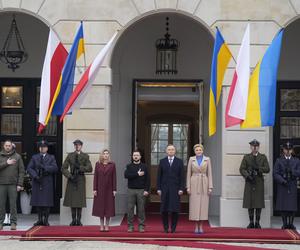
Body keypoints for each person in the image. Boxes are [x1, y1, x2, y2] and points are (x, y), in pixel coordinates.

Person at [240, 139, 270, 229]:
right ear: (250, 147)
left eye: (256, 146)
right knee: (250, 202)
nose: (254, 148)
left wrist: (259, 169)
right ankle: (251, 222)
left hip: (259, 181)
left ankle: (257, 222)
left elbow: (267, 169)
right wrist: (247, 176)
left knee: (258, 203)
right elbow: (242, 169)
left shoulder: (263, 157)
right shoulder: (246, 157)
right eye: (253, 146)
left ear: (258, 147)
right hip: (250, 181)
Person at [27, 140, 58, 226]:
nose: (42, 148)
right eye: (41, 147)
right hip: (37, 181)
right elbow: (29, 168)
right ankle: (39, 219)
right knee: (38, 201)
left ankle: (46, 220)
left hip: (47, 181)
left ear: (47, 148)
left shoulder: (51, 157)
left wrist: (45, 168)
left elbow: (55, 168)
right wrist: (35, 176)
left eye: (44, 147)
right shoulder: (34, 157)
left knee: (47, 202)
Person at [62, 139, 92, 226]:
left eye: (78, 145)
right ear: (74, 146)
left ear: (81, 146)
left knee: (79, 200)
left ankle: (78, 220)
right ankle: (73, 220)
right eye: (75, 145)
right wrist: (70, 176)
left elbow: (90, 168)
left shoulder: (85, 156)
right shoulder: (70, 156)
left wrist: (80, 168)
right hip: (72, 178)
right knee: (72, 200)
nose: (77, 146)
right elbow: (63, 168)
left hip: (80, 178)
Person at [157, 144, 185, 233]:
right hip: (164, 189)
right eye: (169, 150)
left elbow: (182, 177)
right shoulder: (162, 161)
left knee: (175, 209)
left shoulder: (180, 162)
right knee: (164, 209)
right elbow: (159, 176)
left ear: (175, 151)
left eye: (172, 149)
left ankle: (173, 228)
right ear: (166, 151)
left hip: (176, 189)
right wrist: (158, 188)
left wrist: (181, 188)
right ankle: (165, 228)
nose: (171, 151)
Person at [186, 144, 213, 234]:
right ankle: (196, 226)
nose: (198, 151)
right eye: (197, 150)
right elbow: (188, 173)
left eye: (200, 150)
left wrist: (210, 187)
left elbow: (210, 173)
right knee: (195, 205)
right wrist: (188, 186)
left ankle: (201, 226)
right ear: (195, 151)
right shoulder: (191, 159)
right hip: (194, 183)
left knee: (203, 206)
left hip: (204, 183)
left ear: (202, 151)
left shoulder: (207, 159)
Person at [273, 142, 300, 229]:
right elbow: (275, 173)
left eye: (289, 149)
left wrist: (293, 171)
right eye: (286, 149)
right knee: (283, 205)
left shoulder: (296, 160)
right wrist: (282, 181)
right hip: (283, 184)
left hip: (292, 184)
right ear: (283, 150)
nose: (288, 151)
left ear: (292, 150)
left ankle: (291, 223)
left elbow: (299, 172)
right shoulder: (279, 160)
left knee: (292, 205)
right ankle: (284, 223)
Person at [0, 140, 25, 230]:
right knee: (1, 205)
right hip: (1, 184)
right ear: (4, 146)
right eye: (6, 145)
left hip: (13, 185)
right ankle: (0, 223)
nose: (7, 147)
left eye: (9, 145)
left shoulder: (17, 157)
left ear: (12, 146)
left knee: (13, 205)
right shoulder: (0, 155)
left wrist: (20, 184)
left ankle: (13, 223)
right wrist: (6, 163)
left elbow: (21, 172)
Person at [124, 150, 150, 232]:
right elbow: (126, 175)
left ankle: (141, 226)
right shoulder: (129, 166)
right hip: (131, 190)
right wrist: (137, 174)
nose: (136, 156)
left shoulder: (144, 166)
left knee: (141, 209)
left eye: (137, 155)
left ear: (140, 157)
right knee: (130, 208)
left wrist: (146, 190)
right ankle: (130, 226)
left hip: (141, 190)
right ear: (132, 156)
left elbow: (147, 179)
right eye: (134, 155)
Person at [92, 149, 116, 231]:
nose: (106, 155)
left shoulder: (112, 165)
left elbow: (114, 178)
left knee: (108, 208)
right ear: (102, 155)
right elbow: (95, 177)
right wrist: (94, 189)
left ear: (109, 155)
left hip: (109, 189)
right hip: (100, 189)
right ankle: (101, 226)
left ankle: (107, 226)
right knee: (101, 207)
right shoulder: (98, 164)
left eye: (107, 154)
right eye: (104, 154)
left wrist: (114, 189)